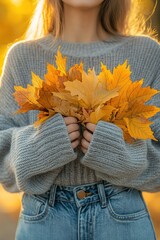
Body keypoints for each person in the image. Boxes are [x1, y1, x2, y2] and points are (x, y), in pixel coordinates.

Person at [0, 0, 159, 239]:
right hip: (43, 222)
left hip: (123, 221)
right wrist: (41, 145)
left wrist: (120, 153)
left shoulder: (147, 54)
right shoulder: (21, 58)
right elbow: (3, 163)